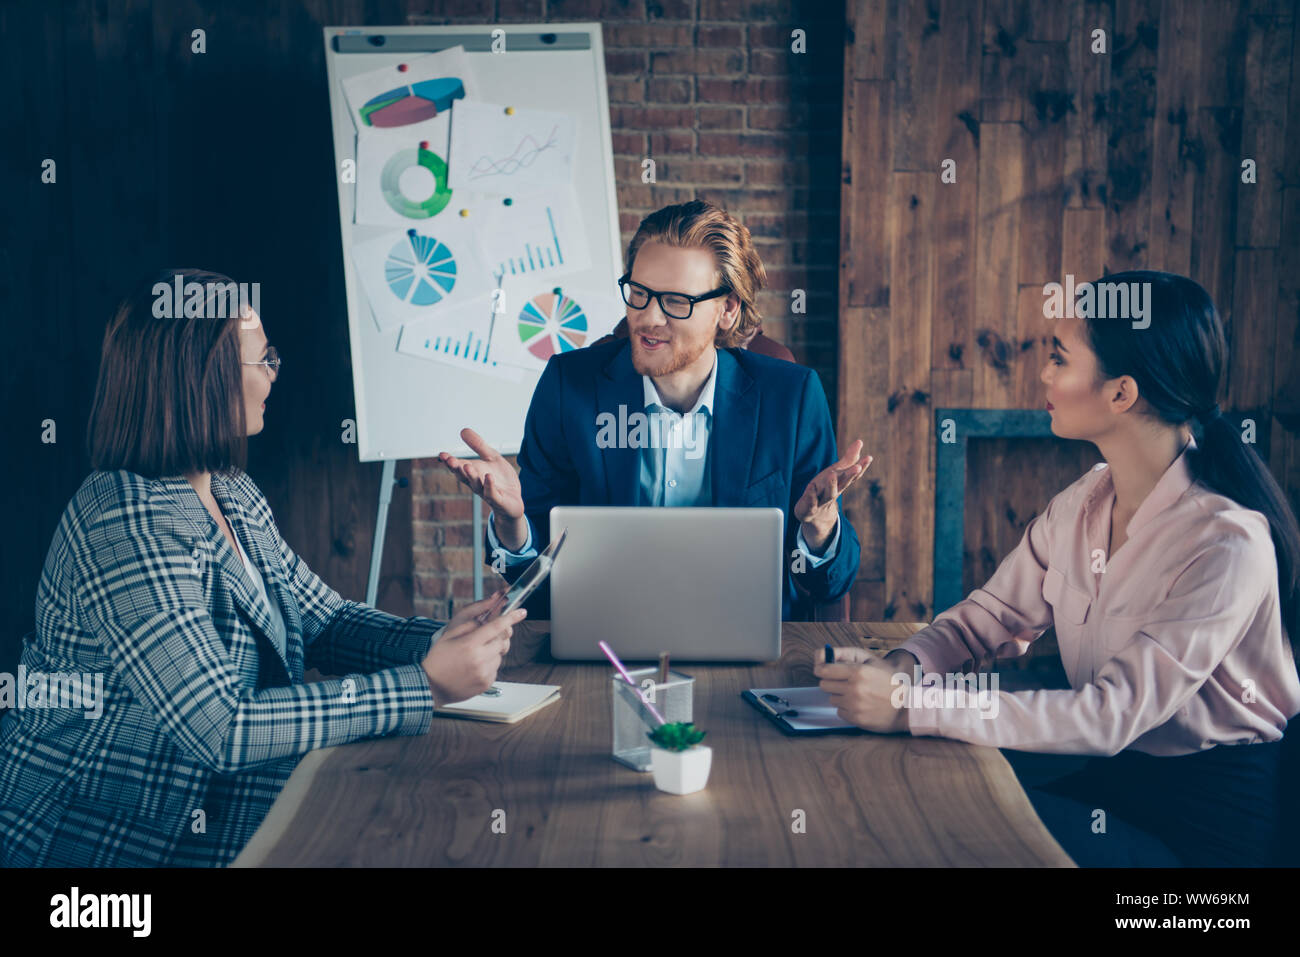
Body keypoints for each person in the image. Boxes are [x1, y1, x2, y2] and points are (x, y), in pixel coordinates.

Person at [0, 269, 524, 867]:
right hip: (101, 849)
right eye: (263, 357)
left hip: (217, 820)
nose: (275, 372)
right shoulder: (124, 520)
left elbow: (327, 622)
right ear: (202, 377)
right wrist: (423, 683)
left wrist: (442, 639)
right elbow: (218, 726)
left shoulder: (231, 491)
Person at [816, 270, 1300, 867]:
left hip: (1201, 836)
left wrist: (911, 706)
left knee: (946, 824)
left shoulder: (1227, 544)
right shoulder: (1087, 500)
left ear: (1121, 394)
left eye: (1060, 359)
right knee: (915, 784)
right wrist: (903, 666)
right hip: (1112, 783)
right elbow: (984, 621)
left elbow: (1109, 714)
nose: (1044, 374)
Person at [440, 200, 865, 620]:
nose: (648, 318)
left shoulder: (790, 397)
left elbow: (829, 585)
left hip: (747, 646)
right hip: (605, 642)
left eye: (676, 301)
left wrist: (821, 527)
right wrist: (513, 523)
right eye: (639, 294)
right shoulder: (569, 386)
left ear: (727, 309)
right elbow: (530, 585)